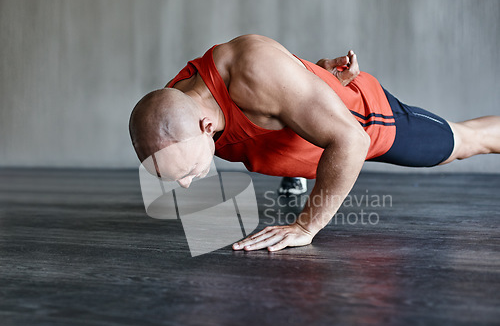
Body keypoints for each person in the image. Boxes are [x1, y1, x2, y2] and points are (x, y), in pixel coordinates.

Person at [129, 34, 500, 253]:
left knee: (466, 142)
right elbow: (282, 98)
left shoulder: (254, 73)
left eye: (189, 171)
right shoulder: (172, 109)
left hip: (364, 121)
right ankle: (300, 166)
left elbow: (350, 140)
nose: (186, 183)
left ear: (206, 124)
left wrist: (305, 226)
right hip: (308, 127)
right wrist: (315, 75)